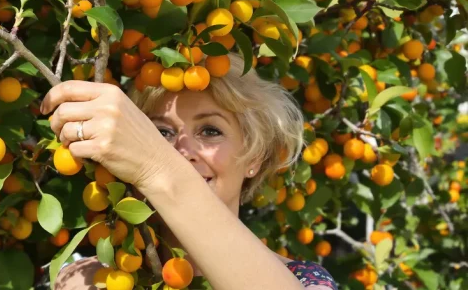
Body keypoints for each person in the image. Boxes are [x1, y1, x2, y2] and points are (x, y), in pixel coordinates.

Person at [40, 54, 337, 290]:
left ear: (255, 157)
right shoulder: (88, 281)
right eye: (161, 133)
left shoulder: (305, 282)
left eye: (210, 130)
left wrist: (158, 165)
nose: (181, 152)